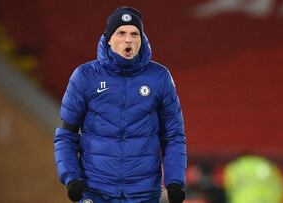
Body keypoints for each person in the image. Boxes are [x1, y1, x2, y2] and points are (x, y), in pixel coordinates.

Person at [54, 6, 187, 203]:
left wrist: (175, 181)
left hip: (143, 193)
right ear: (108, 39)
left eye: (134, 34)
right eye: (121, 33)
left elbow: (174, 135)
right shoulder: (84, 76)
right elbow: (67, 134)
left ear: (141, 40)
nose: (128, 39)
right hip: (95, 191)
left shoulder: (159, 77)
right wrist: (71, 177)